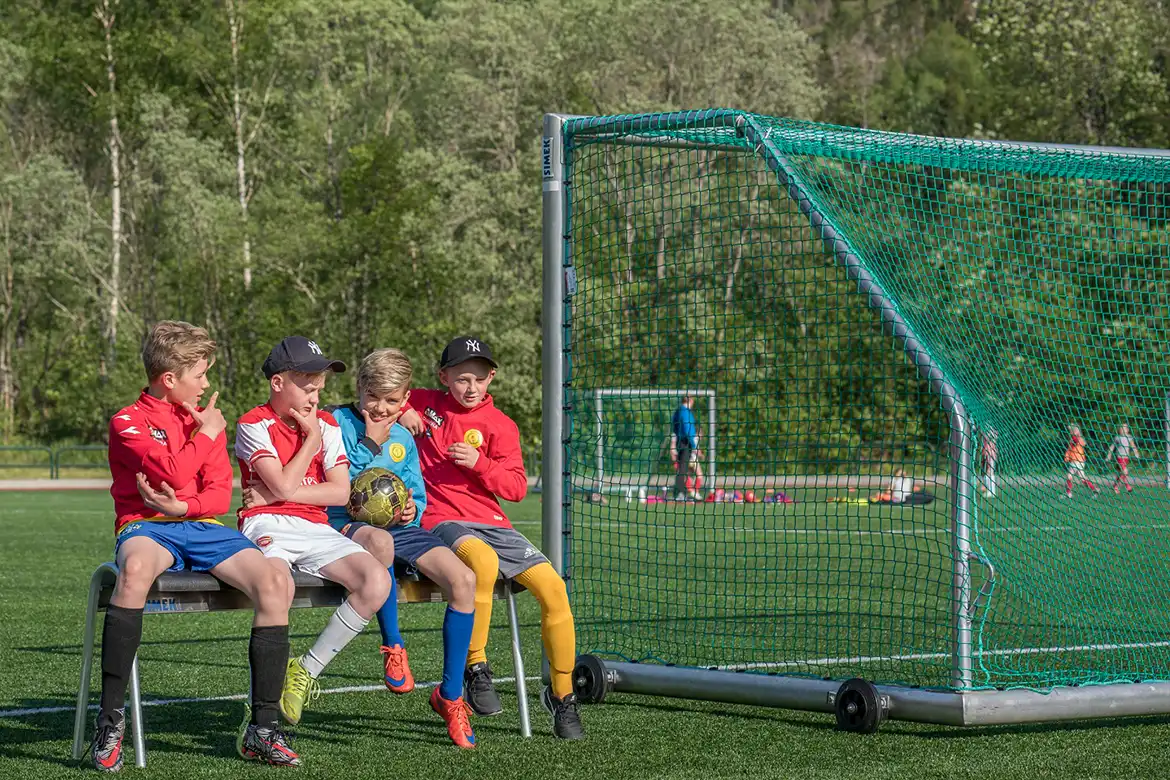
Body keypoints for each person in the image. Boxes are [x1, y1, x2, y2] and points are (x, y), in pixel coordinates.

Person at [98, 321, 298, 771]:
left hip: (202, 525)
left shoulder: (203, 420)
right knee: (132, 573)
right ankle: (110, 720)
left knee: (273, 579)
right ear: (169, 379)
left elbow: (216, 495)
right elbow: (168, 471)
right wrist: (205, 436)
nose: (207, 384)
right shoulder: (128, 420)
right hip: (146, 526)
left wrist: (181, 505)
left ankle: (263, 729)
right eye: (200, 374)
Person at [399, 336, 585, 740]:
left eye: (479, 379)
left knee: (554, 588)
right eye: (462, 378)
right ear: (443, 376)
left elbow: (517, 488)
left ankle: (563, 696)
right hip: (440, 519)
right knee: (482, 563)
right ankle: (476, 669)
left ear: (491, 378)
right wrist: (403, 410)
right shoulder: (426, 403)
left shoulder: (502, 426)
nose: (470, 388)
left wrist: (480, 463)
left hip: (495, 523)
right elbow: (379, 394)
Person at [235, 336, 392, 726]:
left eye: (319, 388)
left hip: (314, 525)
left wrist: (275, 494)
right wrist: (311, 441)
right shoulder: (254, 424)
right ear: (277, 384)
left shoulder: (328, 424)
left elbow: (339, 491)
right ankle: (262, 707)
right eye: (307, 387)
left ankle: (305, 670)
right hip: (266, 525)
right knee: (279, 586)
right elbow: (287, 487)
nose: (315, 397)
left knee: (376, 580)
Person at [326, 348, 478, 749]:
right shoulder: (335, 423)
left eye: (392, 401)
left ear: (406, 398)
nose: (380, 408)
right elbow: (331, 481)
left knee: (463, 579)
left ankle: (450, 696)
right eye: (373, 396)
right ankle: (393, 645)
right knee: (379, 543)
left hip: (402, 527)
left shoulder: (403, 437)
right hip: (349, 526)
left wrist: (412, 508)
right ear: (359, 388)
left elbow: (417, 493)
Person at [670, 395, 703, 500]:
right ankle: (680, 493)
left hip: (680, 442)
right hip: (685, 443)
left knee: (682, 469)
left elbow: (674, 428)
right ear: (691, 401)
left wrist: (674, 443)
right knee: (683, 470)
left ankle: (679, 492)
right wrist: (694, 446)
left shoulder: (678, 411)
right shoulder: (686, 412)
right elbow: (688, 429)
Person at [1063, 424, 1100, 499]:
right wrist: (1067, 456)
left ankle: (1069, 493)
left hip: (1078, 462)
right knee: (1076, 478)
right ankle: (1094, 489)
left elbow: (1082, 443)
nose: (1070, 432)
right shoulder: (1072, 439)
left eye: (1071, 431)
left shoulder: (1078, 438)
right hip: (1073, 461)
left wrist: (1077, 434)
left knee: (1074, 478)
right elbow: (1070, 449)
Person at [1104, 423, 1140, 494]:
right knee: (1125, 472)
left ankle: (1115, 486)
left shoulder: (1129, 437)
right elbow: (1112, 446)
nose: (1122, 429)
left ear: (1127, 430)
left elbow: (1133, 445)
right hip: (1119, 458)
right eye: (1121, 428)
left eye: (1124, 428)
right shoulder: (1117, 437)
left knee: (1120, 474)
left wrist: (1136, 453)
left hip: (1126, 458)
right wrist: (1109, 455)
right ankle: (1128, 486)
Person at [870, 468, 935, 505]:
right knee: (928, 497)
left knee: (926, 492)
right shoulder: (894, 480)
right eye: (900, 473)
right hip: (902, 499)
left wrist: (915, 489)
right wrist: (884, 495)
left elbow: (910, 489)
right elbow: (888, 491)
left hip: (909, 496)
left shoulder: (907, 479)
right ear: (896, 474)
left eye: (903, 472)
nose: (902, 474)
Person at [980, 428, 999, 498]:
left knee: (990, 472)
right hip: (985, 453)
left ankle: (992, 492)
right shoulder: (984, 432)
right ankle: (988, 490)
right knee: (985, 473)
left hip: (991, 454)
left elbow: (993, 436)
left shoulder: (992, 432)